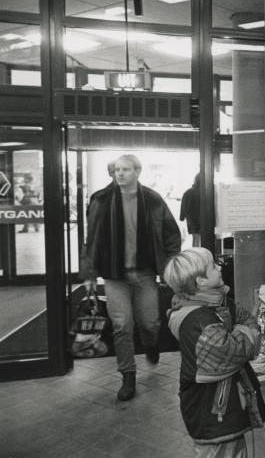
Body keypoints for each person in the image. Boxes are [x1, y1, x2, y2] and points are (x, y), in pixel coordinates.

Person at [79, 154, 181, 401]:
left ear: (137, 171)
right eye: (116, 169)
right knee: (122, 325)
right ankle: (128, 375)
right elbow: (91, 239)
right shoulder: (101, 200)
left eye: (125, 169)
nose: (120, 173)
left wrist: (168, 267)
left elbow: (171, 234)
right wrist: (89, 273)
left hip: (145, 274)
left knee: (150, 323)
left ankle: (151, 344)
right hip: (115, 277)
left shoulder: (153, 200)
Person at [164, 248, 265, 458]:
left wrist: (240, 330)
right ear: (200, 281)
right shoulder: (197, 322)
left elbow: (246, 319)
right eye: (213, 266)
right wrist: (246, 332)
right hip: (211, 412)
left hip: (223, 407)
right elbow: (234, 350)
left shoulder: (218, 303)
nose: (219, 267)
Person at [180, 173, 201, 247]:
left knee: (196, 240)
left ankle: (197, 256)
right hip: (204, 222)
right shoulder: (207, 192)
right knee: (204, 241)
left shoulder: (188, 192)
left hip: (192, 222)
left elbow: (183, 207)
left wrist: (182, 217)